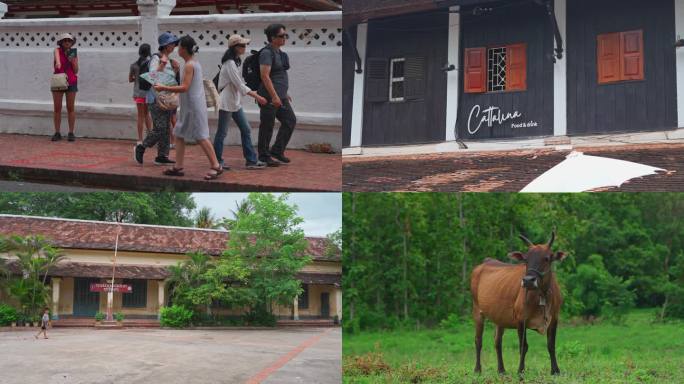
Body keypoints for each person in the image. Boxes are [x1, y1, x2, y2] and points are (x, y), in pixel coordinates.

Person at [153, 35, 223, 180]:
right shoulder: (191, 63)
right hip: (189, 106)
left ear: (183, 49)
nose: (177, 49)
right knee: (179, 133)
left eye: (179, 47)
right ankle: (178, 166)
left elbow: (185, 87)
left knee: (202, 136)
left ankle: (216, 165)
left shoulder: (190, 65)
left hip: (193, 106)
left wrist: (163, 87)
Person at [214, 35, 268, 170]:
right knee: (222, 133)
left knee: (246, 129)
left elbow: (239, 85)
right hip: (227, 102)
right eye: (242, 45)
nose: (245, 48)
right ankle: (217, 161)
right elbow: (240, 85)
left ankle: (251, 161)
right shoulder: (230, 63)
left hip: (235, 102)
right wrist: (257, 96)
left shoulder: (235, 61)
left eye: (245, 45)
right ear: (235, 47)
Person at [134, 32, 180, 166]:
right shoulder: (156, 58)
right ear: (165, 46)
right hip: (155, 98)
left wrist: (176, 70)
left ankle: (162, 155)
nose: (174, 46)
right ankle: (142, 146)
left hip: (166, 99)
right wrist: (162, 65)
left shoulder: (169, 60)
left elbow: (170, 79)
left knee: (165, 128)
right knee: (160, 128)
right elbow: (153, 76)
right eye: (172, 44)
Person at [257, 23, 297, 166]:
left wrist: (284, 94)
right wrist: (274, 96)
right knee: (267, 125)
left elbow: (279, 75)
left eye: (285, 35)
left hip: (280, 96)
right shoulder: (267, 53)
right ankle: (263, 156)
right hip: (269, 97)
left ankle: (277, 151)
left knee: (290, 120)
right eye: (281, 36)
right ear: (272, 38)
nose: (284, 38)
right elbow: (265, 76)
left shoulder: (280, 53)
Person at [51, 33, 79, 142]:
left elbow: (76, 70)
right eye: (64, 40)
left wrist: (72, 60)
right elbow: (57, 65)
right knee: (57, 108)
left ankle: (71, 132)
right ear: (61, 42)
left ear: (72, 43)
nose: (67, 42)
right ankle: (57, 132)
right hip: (58, 81)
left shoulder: (73, 53)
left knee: (70, 108)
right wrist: (58, 62)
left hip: (71, 81)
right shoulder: (57, 51)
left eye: (69, 40)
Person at [129, 43, 153, 144]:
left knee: (140, 116)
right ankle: (150, 137)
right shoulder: (149, 64)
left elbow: (130, 79)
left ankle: (140, 139)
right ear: (148, 52)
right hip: (147, 92)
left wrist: (136, 78)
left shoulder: (134, 65)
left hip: (138, 92)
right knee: (147, 114)